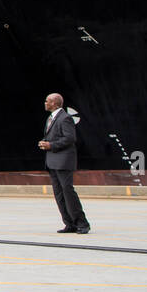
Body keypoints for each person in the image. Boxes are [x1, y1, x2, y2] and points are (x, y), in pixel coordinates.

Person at [38, 92, 90, 234]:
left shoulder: (65, 118)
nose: (45, 103)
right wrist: (46, 144)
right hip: (53, 161)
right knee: (59, 194)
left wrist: (51, 145)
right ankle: (69, 223)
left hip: (63, 161)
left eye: (47, 101)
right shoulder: (51, 118)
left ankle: (82, 223)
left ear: (54, 103)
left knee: (68, 192)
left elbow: (70, 138)